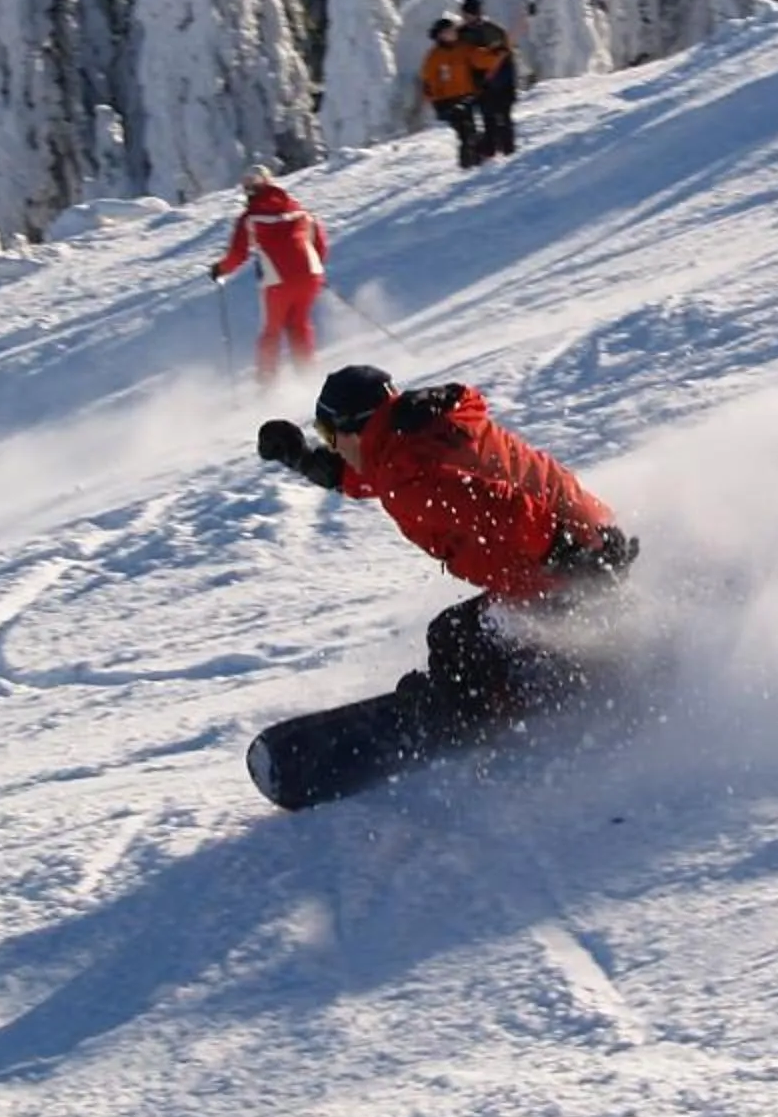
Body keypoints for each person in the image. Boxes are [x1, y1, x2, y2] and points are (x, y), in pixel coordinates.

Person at [257, 363, 638, 723]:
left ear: (355, 427)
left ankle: (488, 714)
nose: (333, 446)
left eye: (328, 434)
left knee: (456, 642)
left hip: (568, 562)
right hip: (585, 539)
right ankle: (545, 671)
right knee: (472, 635)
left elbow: (505, 509)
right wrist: (303, 459)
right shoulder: (417, 428)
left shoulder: (406, 475)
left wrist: (568, 556)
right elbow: (375, 473)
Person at [208, 167, 329, 382]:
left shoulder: (251, 218)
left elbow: (238, 253)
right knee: (298, 324)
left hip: (278, 280)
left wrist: (220, 269)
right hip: (311, 274)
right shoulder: (298, 210)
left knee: (272, 330)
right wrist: (314, 268)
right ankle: (308, 374)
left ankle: (266, 382)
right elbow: (319, 241)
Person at [419, 17, 486, 169]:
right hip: (447, 100)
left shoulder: (463, 48)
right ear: (440, 35)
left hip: (466, 96)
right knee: (465, 131)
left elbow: (479, 59)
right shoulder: (434, 56)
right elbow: (428, 81)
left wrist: (494, 54)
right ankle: (468, 165)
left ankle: (476, 161)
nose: (452, 34)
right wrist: (435, 101)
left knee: (471, 129)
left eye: (453, 31)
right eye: (447, 32)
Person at [458, 0, 518, 160]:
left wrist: (509, 86)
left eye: (469, 13)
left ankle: (509, 152)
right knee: (488, 119)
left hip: (500, 84)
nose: (466, 17)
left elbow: (507, 60)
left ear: (477, 13)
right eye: (464, 14)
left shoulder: (494, 31)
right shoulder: (461, 35)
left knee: (504, 119)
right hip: (480, 87)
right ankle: (490, 155)